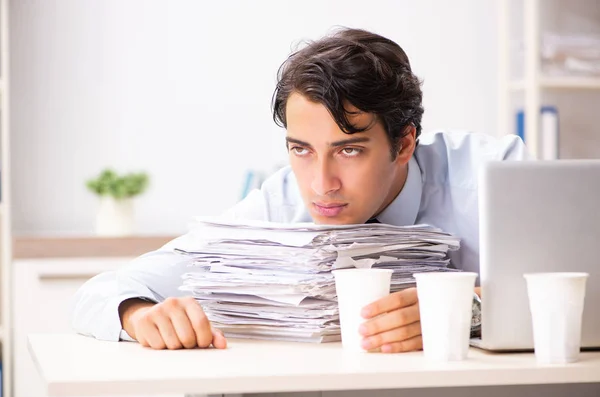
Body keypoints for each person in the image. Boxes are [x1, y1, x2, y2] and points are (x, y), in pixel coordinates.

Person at [70, 27, 530, 353]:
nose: (320, 184)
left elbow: (585, 277)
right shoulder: (279, 202)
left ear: (404, 142)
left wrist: (470, 310)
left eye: (349, 151)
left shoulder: (496, 176)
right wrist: (136, 313)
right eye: (302, 149)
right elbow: (104, 291)